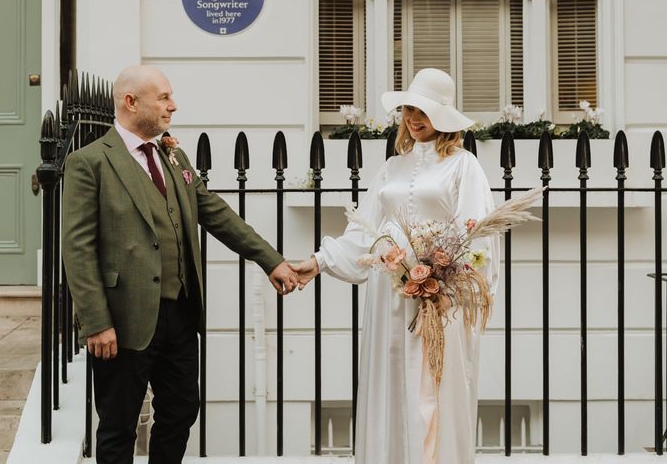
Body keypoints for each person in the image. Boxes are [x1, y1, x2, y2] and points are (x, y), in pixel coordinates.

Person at [62, 65, 299, 464]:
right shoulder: (90, 163)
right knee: (118, 425)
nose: (174, 105)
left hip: (180, 312)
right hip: (123, 317)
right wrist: (96, 322)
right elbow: (78, 248)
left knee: (182, 409)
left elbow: (217, 214)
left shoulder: (173, 156)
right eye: (165, 97)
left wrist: (269, 259)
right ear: (130, 102)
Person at [294, 68, 498, 464]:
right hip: (388, 295)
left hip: (440, 303)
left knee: (432, 388)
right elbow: (366, 231)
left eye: (422, 110)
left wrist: (442, 278)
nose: (413, 119)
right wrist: (318, 261)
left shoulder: (463, 165)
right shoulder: (392, 167)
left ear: (443, 115)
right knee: (389, 384)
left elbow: (476, 234)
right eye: (408, 109)